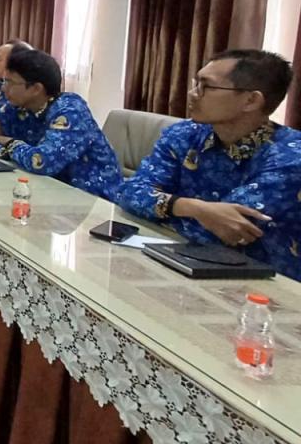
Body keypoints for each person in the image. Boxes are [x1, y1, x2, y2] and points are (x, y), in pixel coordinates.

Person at [117, 50, 301, 279]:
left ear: (251, 101)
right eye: (196, 83)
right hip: (184, 263)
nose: (192, 93)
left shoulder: (291, 156)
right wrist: (193, 208)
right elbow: (129, 192)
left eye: (206, 86)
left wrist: (165, 208)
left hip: (266, 285)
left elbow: (222, 230)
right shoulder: (185, 134)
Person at [0, 48, 123, 199]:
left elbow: (42, 162)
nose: (4, 88)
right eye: (4, 81)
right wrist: (7, 150)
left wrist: (9, 143)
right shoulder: (15, 107)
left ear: (36, 89)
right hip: (47, 191)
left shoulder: (71, 110)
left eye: (10, 82)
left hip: (92, 199)